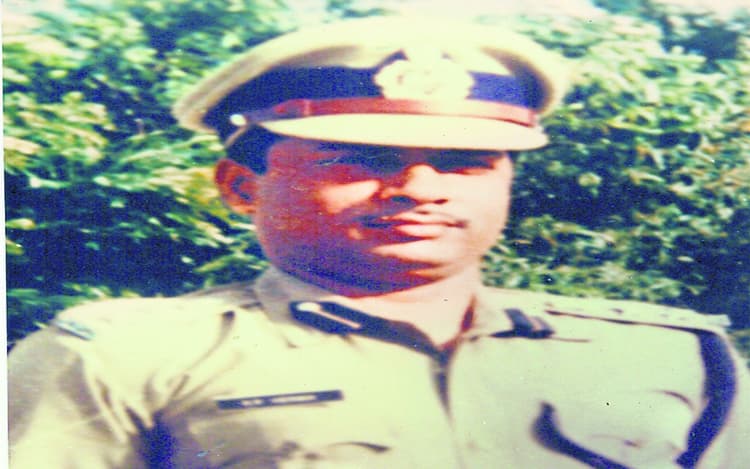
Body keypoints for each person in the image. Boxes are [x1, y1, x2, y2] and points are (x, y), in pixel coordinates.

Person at [8, 17, 750, 468]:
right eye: (361, 158)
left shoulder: (670, 355)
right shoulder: (124, 359)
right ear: (240, 186)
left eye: (466, 163)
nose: (420, 188)